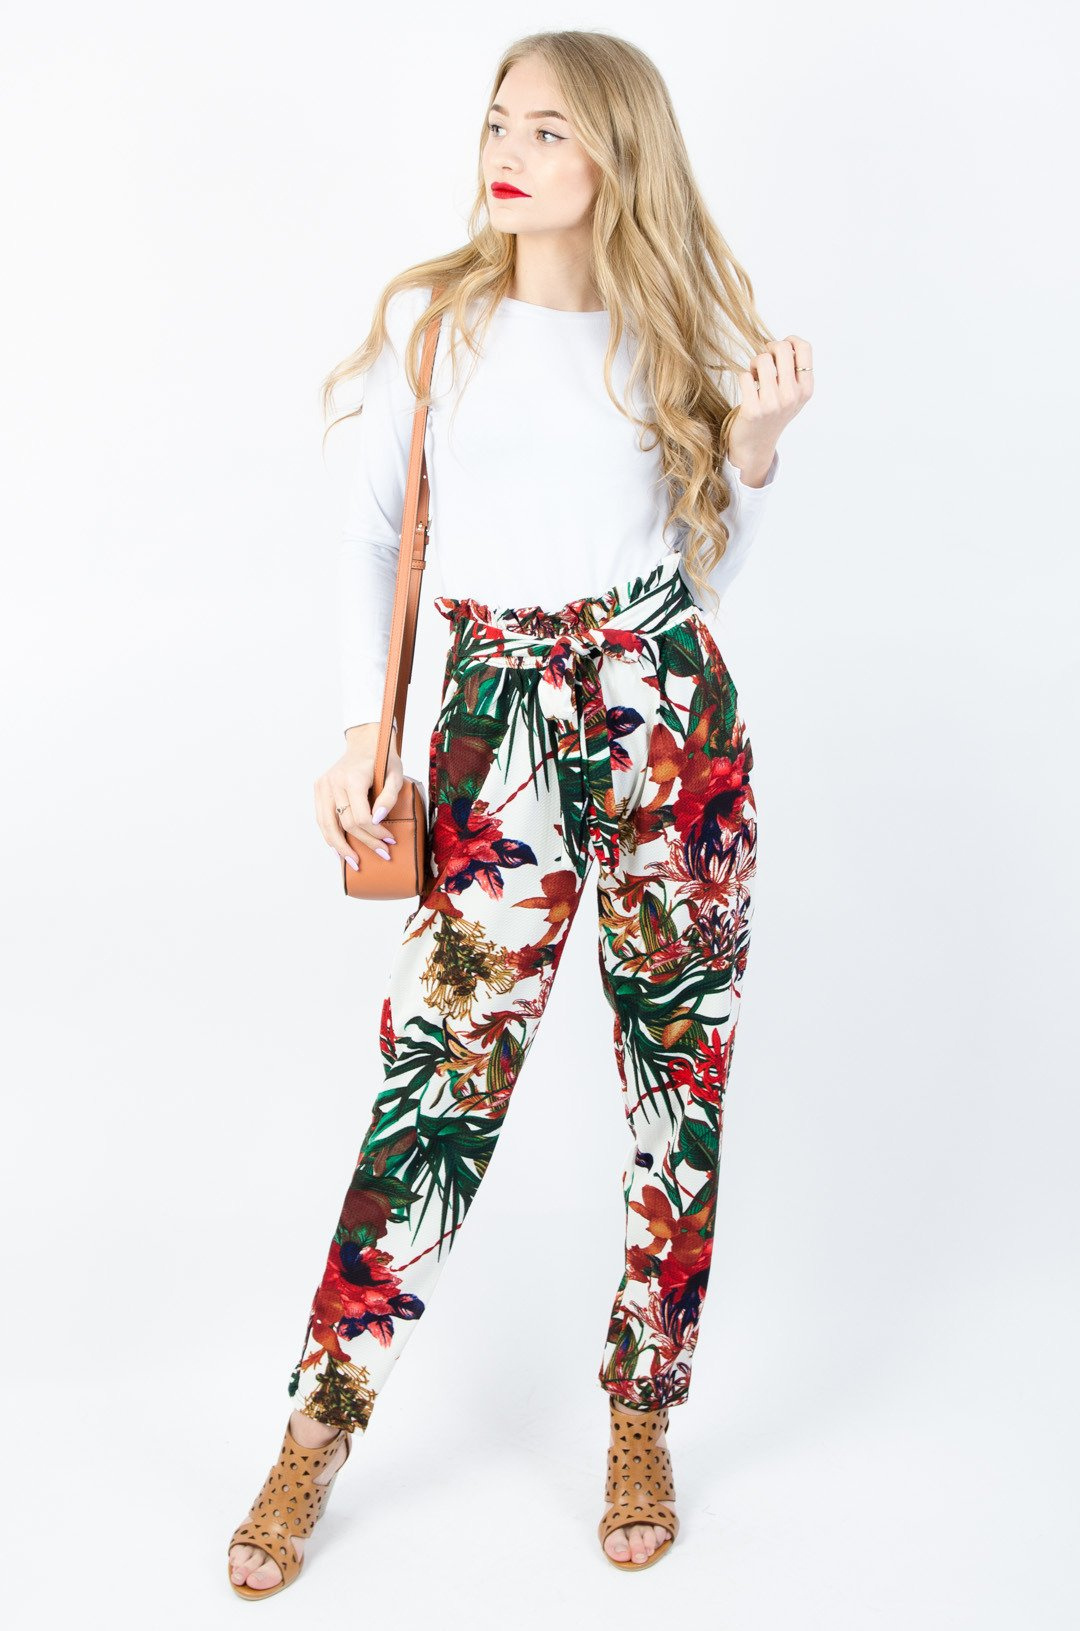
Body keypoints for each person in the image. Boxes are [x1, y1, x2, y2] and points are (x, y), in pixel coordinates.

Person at [228, 28, 812, 1595]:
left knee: (676, 1092)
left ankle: (642, 1411)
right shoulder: (441, 330)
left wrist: (753, 449)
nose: (509, 151)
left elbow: (700, 570)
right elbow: (370, 539)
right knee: (435, 1092)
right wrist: (367, 733)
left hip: (669, 724)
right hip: (496, 735)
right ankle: (315, 1431)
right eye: (499, 122)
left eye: (548, 129)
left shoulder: (674, 335)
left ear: (616, 153)